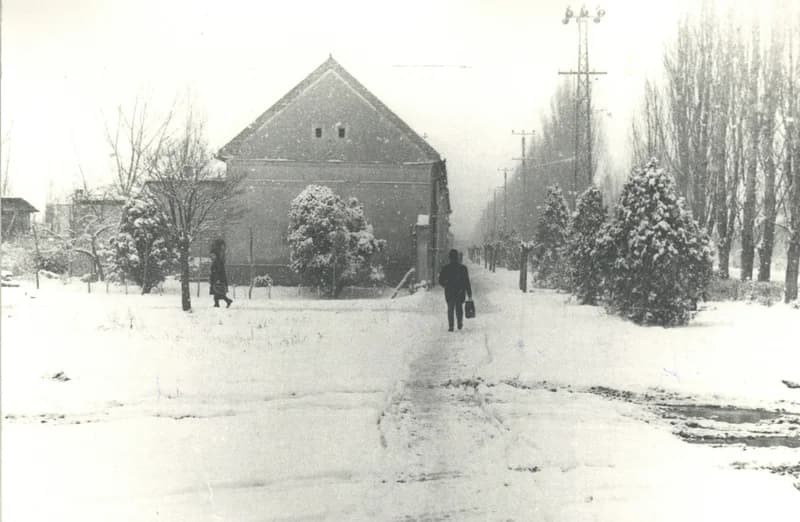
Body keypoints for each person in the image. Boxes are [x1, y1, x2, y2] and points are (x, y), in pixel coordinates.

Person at [438, 249, 472, 332]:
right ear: (457, 257)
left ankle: (451, 326)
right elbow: (466, 281)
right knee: (459, 308)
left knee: (450, 309)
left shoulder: (446, 268)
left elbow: (440, 280)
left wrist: (445, 285)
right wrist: (469, 293)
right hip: (460, 291)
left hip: (449, 292)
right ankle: (459, 323)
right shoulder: (463, 268)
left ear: (449, 258)